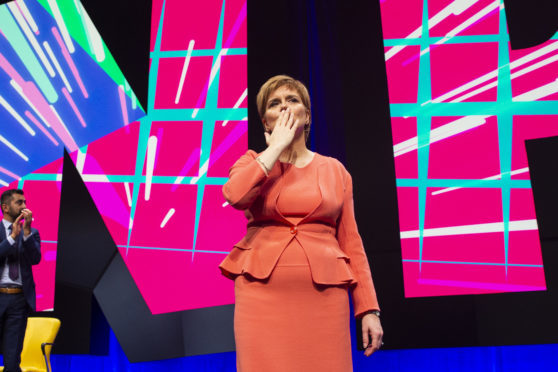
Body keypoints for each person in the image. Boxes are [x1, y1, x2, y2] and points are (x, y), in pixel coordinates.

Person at [219, 75, 383, 371]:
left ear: (307, 116)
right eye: (274, 104)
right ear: (266, 122)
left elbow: (351, 242)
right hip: (261, 295)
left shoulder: (336, 171)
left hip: (324, 297)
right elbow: (235, 195)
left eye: (292, 100)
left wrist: (368, 309)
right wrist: (274, 150)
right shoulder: (251, 162)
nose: (284, 108)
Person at [0, 189, 41, 372]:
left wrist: (25, 234)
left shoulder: (31, 232)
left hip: (18, 302)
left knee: (12, 360)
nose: (25, 206)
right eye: (19, 203)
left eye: (25, 202)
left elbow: (35, 259)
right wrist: (12, 237)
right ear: (5, 208)